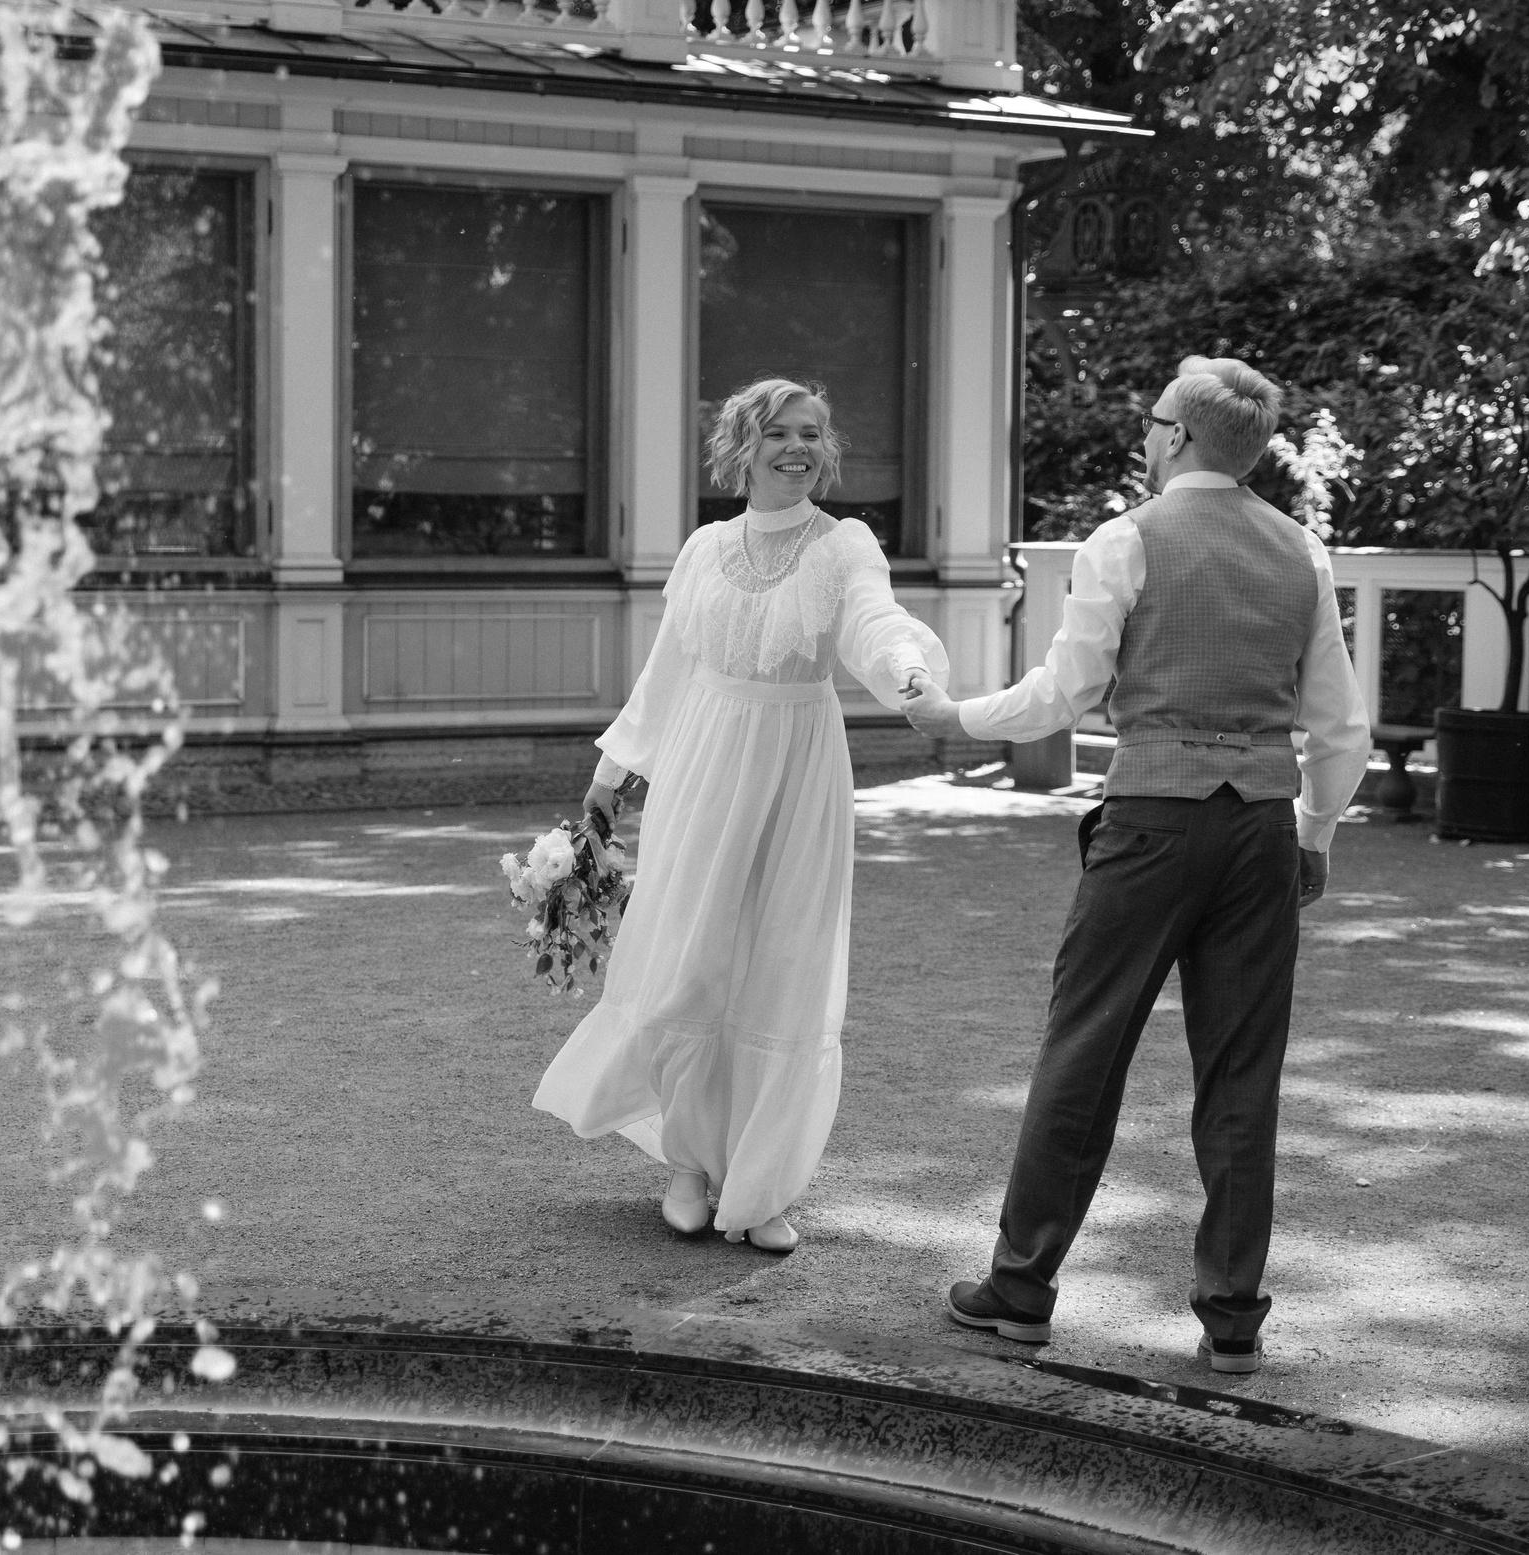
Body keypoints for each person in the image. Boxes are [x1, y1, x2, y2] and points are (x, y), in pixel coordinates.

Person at [898, 355, 1367, 1375]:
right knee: (1242, 1077)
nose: (1145, 435)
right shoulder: (1301, 552)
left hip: (1151, 821)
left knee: (1086, 1049)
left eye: (1152, 422)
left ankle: (1019, 1292)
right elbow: (1341, 730)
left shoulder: (1125, 539)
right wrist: (1316, 838)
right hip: (1260, 832)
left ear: (1175, 438)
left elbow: (1062, 695)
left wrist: (951, 716)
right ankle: (1233, 1318)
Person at [532, 378, 947, 1252]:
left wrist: (908, 670)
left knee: (784, 968)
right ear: (743, 446)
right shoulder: (705, 547)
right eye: (780, 434)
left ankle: (758, 1187)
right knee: (691, 961)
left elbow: (875, 619)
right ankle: (688, 1164)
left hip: (800, 764)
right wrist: (614, 773)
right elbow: (668, 668)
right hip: (704, 761)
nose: (798, 448)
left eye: (812, 435)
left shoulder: (846, 544)